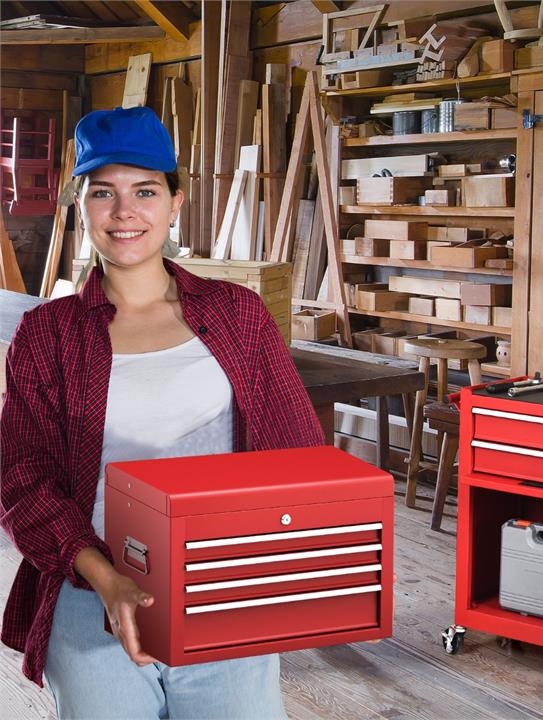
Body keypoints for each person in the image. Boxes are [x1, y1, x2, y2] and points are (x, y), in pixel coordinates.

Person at [0, 105, 325, 719]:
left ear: (176, 201)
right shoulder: (48, 335)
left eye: (145, 190)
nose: (125, 212)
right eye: (104, 193)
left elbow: (299, 458)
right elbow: (21, 480)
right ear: (82, 205)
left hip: (222, 586)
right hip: (90, 581)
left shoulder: (238, 317)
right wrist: (102, 576)